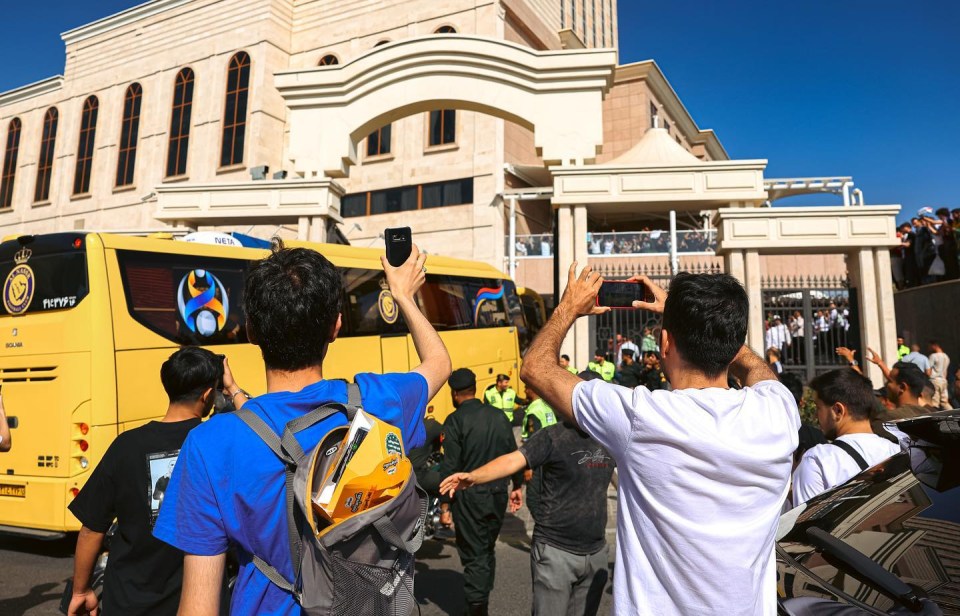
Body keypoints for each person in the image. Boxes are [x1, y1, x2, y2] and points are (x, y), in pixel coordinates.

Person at [153, 242, 451, 616]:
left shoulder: (210, 444)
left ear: (251, 332)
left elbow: (199, 608)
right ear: (336, 327)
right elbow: (439, 362)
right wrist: (404, 295)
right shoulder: (378, 402)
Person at [520, 264, 799, 615]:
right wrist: (702, 326)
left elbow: (535, 367)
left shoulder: (642, 417)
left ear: (665, 343)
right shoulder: (778, 412)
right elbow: (759, 371)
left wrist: (567, 309)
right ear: (732, 344)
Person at [440, 371, 616, 616]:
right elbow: (514, 459)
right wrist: (474, 476)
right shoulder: (553, 436)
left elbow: (625, 476)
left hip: (596, 552)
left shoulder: (610, 438)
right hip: (556, 552)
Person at [68, 347, 227, 616]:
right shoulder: (216, 440)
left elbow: (91, 528)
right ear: (208, 394)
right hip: (194, 601)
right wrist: (232, 389)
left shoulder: (126, 445)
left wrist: (80, 590)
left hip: (128, 599)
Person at [438, 368, 523, 616]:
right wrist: (516, 485)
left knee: (474, 553)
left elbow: (450, 466)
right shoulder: (498, 416)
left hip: (469, 496)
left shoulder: (454, 421)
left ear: (455, 394)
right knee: (486, 547)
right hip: (497, 493)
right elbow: (513, 454)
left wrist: (445, 506)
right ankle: (482, 593)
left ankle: (478, 607)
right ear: (475, 389)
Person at [792, 369, 900, 507]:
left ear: (837, 411)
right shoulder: (898, 451)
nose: (815, 417)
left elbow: (806, 526)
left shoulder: (817, 460)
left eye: (818, 408)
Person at [927, 340, 951, 410]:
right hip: (944, 381)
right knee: (944, 403)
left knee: (934, 403)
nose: (928, 348)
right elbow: (946, 371)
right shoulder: (946, 356)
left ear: (934, 345)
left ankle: (934, 419)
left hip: (935, 381)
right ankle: (956, 416)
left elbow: (928, 371)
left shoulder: (933, 356)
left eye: (929, 346)